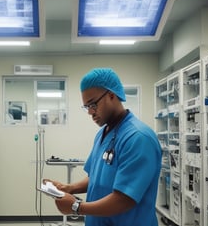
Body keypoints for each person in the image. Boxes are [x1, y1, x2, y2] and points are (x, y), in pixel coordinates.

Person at [45, 68, 162, 226]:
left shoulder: (138, 138)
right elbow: (95, 177)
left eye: (93, 104)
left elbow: (124, 199)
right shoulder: (103, 134)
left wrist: (76, 207)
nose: (90, 112)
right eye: (87, 107)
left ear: (111, 95)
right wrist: (69, 188)